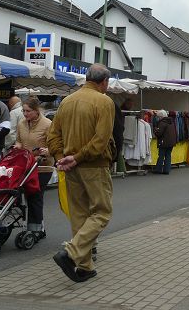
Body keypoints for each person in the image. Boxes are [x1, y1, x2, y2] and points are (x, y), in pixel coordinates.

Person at [47, 64, 115, 283]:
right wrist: (77, 157)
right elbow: (101, 140)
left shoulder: (67, 101)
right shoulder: (104, 101)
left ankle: (84, 266)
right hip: (93, 165)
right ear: (104, 81)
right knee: (101, 212)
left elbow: (53, 135)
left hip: (71, 166)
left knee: (79, 215)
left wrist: (61, 158)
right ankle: (72, 253)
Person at [13, 96, 53, 239]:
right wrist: (17, 146)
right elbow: (19, 141)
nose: (25, 114)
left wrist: (47, 151)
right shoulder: (21, 124)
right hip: (26, 165)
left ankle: (36, 229)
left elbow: (54, 145)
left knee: (35, 196)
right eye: (23, 111)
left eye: (28, 111)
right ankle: (38, 227)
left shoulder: (48, 124)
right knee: (27, 196)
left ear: (37, 110)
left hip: (43, 167)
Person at [153, 110, 176, 174]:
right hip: (171, 142)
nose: (158, 118)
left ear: (161, 116)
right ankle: (167, 170)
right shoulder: (171, 122)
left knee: (161, 156)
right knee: (168, 156)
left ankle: (158, 169)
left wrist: (155, 130)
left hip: (163, 142)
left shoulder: (162, 123)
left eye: (158, 117)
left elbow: (159, 133)